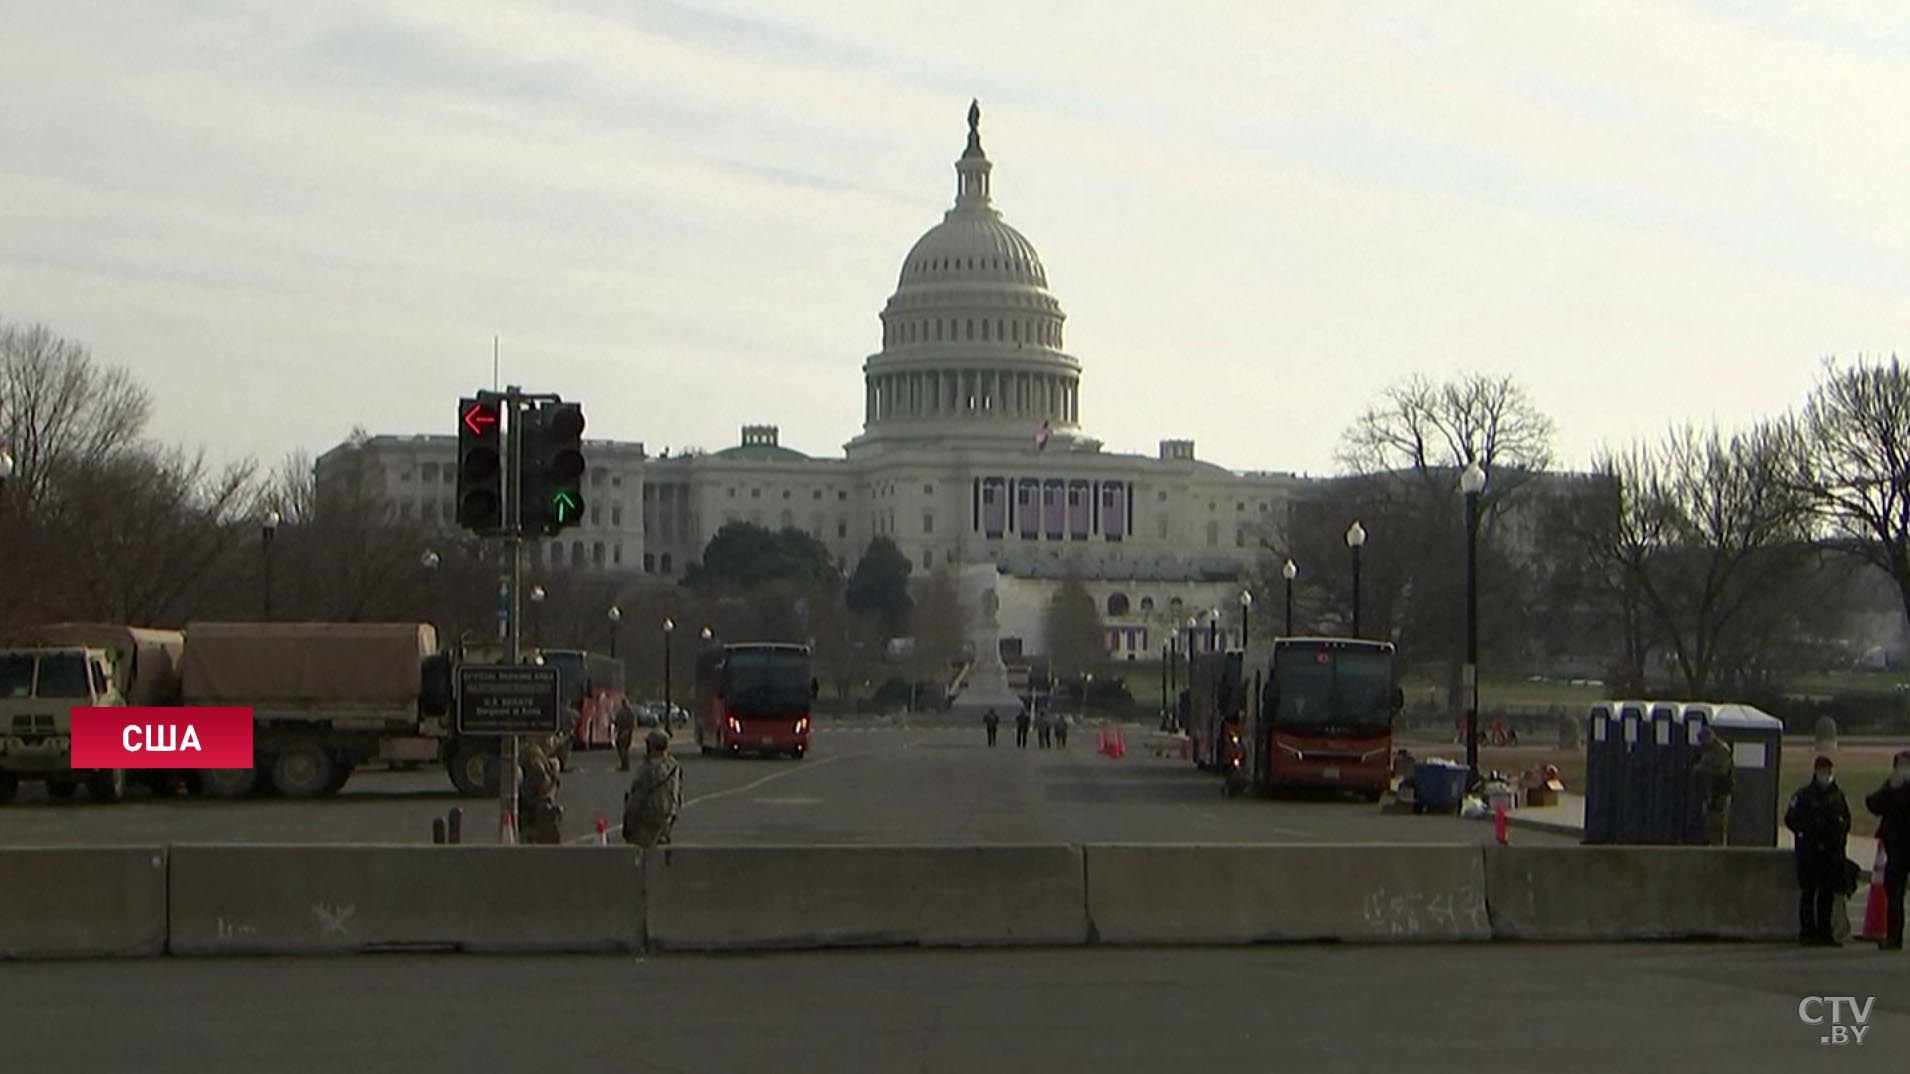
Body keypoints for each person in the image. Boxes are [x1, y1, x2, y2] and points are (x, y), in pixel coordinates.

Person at [1784, 755, 1851, 946]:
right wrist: (1806, 832)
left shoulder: (1837, 795)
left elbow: (1846, 820)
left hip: (1831, 852)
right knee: (1808, 893)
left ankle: (1825, 932)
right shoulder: (1804, 795)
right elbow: (1791, 819)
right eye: (1823, 771)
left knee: (1827, 894)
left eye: (1829, 771)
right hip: (1810, 852)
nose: (1826, 775)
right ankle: (1807, 932)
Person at [1864, 749, 1910, 951]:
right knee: (1894, 894)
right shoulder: (1891, 787)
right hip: (1896, 849)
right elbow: (1873, 805)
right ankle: (1893, 937)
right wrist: (1890, 788)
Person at [623, 729, 683, 849]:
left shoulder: (647, 770)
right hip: (666, 819)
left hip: (646, 819)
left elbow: (637, 799)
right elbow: (678, 794)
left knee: (642, 856)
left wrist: (629, 823)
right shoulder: (673, 766)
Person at [516, 736, 564, 845]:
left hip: (533, 811)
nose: (551, 742)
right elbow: (540, 781)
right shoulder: (533, 755)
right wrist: (553, 775)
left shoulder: (536, 753)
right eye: (549, 738)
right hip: (536, 810)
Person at [1692, 727, 1735, 846]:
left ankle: (1720, 847)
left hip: (1721, 791)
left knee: (1719, 823)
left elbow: (1722, 770)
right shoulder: (1708, 750)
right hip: (1711, 791)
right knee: (1710, 821)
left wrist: (1703, 769)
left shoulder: (1721, 750)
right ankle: (1714, 844)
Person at [613, 698, 638, 772]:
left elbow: (617, 722)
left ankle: (625, 765)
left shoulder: (622, 712)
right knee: (624, 749)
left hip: (623, 731)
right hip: (627, 732)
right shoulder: (631, 712)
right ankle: (624, 765)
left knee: (622, 749)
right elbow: (633, 724)